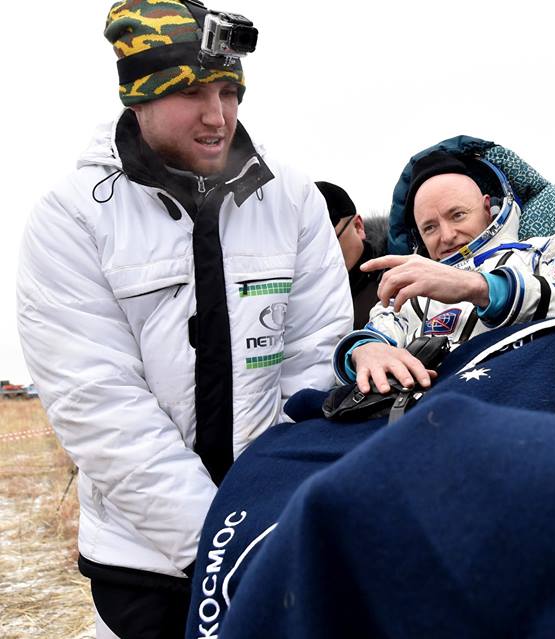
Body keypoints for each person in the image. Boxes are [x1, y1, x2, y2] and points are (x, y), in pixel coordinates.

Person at [16, 2, 351, 637]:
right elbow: (100, 405)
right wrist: (217, 544)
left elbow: (313, 359)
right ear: (136, 97)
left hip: (275, 534)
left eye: (229, 90)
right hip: (146, 563)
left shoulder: (293, 197)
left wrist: (272, 514)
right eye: (190, 91)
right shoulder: (72, 218)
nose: (217, 115)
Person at [333, 150, 555, 395]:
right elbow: (377, 331)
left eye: (457, 215)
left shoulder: (551, 248)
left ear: (488, 207)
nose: (447, 235)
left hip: (532, 393)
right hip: (430, 413)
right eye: (430, 227)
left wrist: (480, 288)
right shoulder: (410, 290)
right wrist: (365, 351)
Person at [316, 181, 385, 330]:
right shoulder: (299, 298)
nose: (318, 256)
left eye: (330, 242)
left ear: (358, 227)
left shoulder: (395, 282)